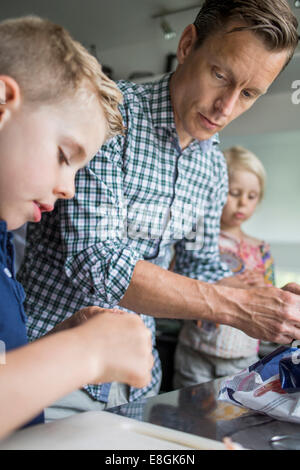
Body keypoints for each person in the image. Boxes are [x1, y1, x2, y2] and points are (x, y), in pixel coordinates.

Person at [18, 0, 300, 418]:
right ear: (187, 44)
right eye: (220, 75)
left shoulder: (211, 165)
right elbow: (96, 262)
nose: (226, 107)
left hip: (134, 380)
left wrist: (265, 298)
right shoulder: (110, 116)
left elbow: (198, 269)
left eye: (249, 94)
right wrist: (236, 307)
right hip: (48, 371)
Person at [0, 16, 153, 440]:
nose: (69, 188)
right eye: (66, 156)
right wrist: (85, 352)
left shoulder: (3, 245)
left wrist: (53, 342)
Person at [173, 145, 276, 387]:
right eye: (234, 192)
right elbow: (178, 278)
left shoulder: (261, 249)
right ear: (216, 192)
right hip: (195, 351)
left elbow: (270, 295)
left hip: (243, 358)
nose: (242, 203)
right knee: (188, 419)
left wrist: (261, 286)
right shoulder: (197, 240)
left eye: (251, 196)